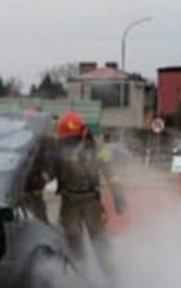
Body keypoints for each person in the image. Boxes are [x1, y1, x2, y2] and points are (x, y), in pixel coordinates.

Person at [51, 111, 125, 276]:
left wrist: (118, 196)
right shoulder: (58, 148)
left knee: (100, 241)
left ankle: (111, 278)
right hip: (69, 202)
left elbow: (110, 172)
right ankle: (80, 277)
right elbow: (49, 171)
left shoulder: (96, 148)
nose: (68, 141)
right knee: (73, 239)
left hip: (91, 201)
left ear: (80, 134)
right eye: (66, 138)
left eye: (71, 138)